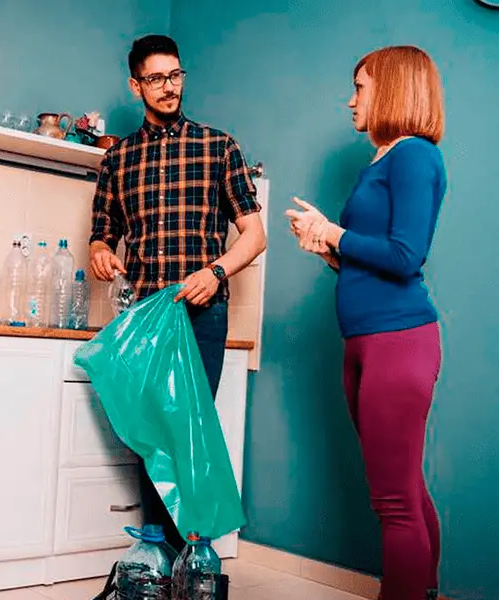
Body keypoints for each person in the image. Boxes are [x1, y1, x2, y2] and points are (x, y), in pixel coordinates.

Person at [89, 34, 267, 552]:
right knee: (150, 436)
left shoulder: (219, 147)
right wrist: (101, 251)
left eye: (175, 76)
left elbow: (254, 235)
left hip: (202, 313)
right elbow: (102, 234)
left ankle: (187, 553)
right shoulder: (117, 160)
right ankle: (157, 553)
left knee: (186, 433)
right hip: (146, 317)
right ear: (135, 84)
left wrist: (215, 271)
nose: (168, 88)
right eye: (155, 79)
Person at [285, 45, 445, 600]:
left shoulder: (414, 156)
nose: (349, 100)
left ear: (393, 89)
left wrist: (333, 232)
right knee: (405, 491)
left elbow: (406, 256)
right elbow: (374, 257)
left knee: (395, 503)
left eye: (359, 87)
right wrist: (327, 250)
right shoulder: (382, 158)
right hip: (366, 341)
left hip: (399, 342)